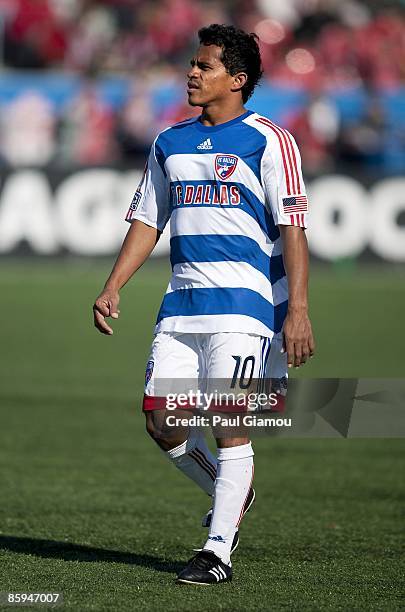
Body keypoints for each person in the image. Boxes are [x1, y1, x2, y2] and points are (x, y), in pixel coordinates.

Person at [93, 23, 315, 585]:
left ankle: (217, 551)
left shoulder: (269, 140)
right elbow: (149, 218)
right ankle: (232, 493)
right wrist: (113, 284)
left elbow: (293, 226)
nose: (192, 72)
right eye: (193, 64)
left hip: (244, 308)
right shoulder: (169, 142)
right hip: (181, 307)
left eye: (205, 66)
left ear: (237, 80)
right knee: (162, 422)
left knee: (227, 420)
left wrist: (298, 310)